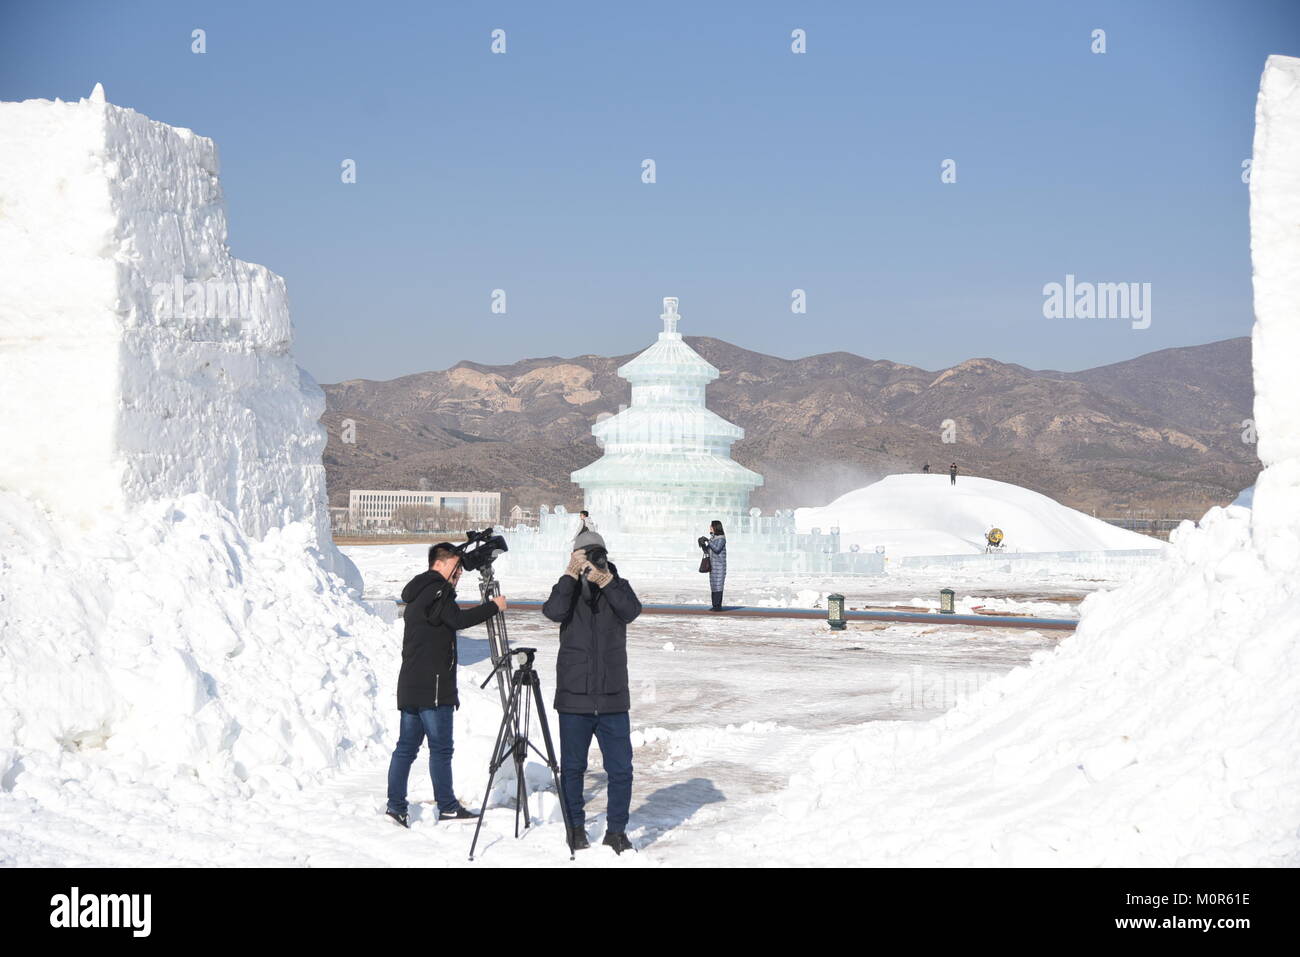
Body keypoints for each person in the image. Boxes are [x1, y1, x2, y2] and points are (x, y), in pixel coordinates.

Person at [386, 542, 506, 828]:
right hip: (434, 686)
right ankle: (448, 806)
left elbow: (445, 620)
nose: (459, 574)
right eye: (456, 567)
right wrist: (493, 606)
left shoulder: (419, 593)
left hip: (412, 684)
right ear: (439, 564)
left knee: (406, 748)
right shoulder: (437, 590)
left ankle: (395, 806)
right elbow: (457, 619)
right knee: (440, 749)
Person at [542, 529, 642, 854]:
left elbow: (631, 610)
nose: (591, 562)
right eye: (584, 556)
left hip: (613, 697)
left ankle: (616, 831)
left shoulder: (617, 584)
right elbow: (553, 611)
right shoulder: (567, 590)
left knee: (621, 769)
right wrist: (570, 574)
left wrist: (605, 580)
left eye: (596, 554)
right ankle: (575, 829)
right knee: (572, 768)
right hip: (575, 696)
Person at [698, 520, 727, 611]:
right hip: (713, 566)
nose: (710, 528)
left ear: (716, 527)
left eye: (711, 526)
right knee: (714, 586)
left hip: (720, 567)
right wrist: (703, 544)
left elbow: (717, 549)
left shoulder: (721, 539)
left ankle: (718, 606)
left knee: (718, 586)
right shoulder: (713, 538)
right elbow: (708, 551)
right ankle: (715, 605)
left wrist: (708, 541)